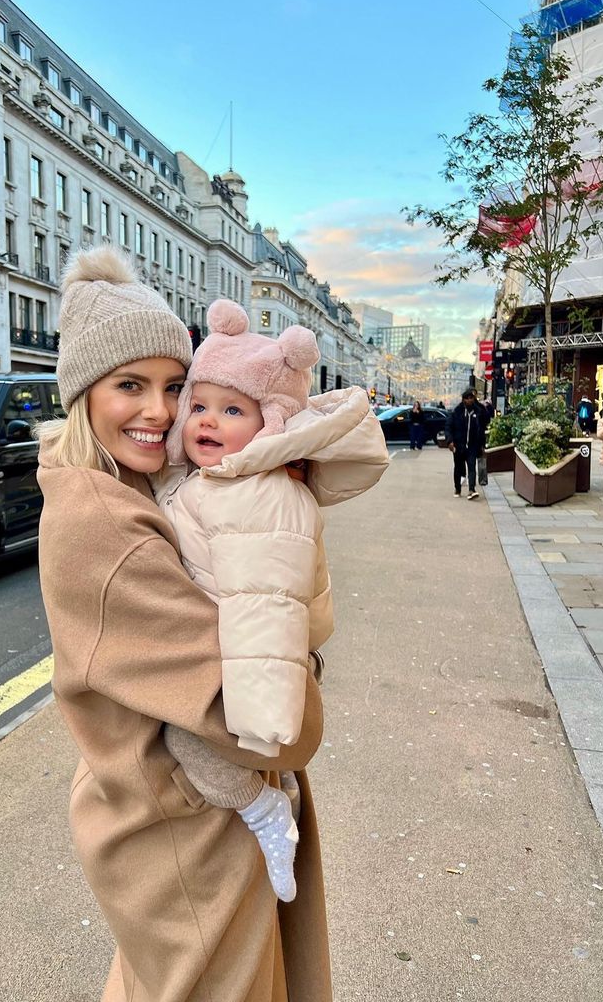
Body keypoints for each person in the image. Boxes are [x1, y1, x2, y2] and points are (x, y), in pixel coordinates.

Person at [36, 246, 387, 1001]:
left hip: (164, 814)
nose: (159, 411)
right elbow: (267, 723)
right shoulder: (106, 522)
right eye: (130, 385)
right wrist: (308, 672)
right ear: (83, 393)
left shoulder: (133, 488)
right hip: (187, 837)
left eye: (173, 386)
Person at [157, 300, 374, 904]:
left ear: (270, 423)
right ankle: (272, 794)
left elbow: (267, 611)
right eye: (197, 405)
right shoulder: (220, 478)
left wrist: (256, 727)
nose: (207, 420)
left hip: (249, 671)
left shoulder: (262, 495)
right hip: (228, 655)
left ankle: (265, 812)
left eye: (232, 410)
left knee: (183, 739)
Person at [446, 388, 489, 500]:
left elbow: (485, 423)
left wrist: (482, 445)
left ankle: (471, 489)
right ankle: (457, 488)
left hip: (472, 445)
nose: (470, 400)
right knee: (458, 468)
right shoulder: (457, 412)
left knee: (471, 467)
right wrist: (450, 441)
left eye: (472, 398)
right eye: (467, 398)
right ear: (463, 399)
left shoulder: (477, 411)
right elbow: (449, 427)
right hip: (459, 445)